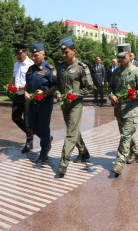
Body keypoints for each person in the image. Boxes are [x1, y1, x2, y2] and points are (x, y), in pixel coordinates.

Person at [55, 36, 93, 177]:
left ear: (74, 51)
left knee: (70, 133)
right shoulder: (61, 68)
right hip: (64, 104)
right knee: (73, 129)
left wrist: (75, 95)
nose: (64, 55)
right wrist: (58, 93)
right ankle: (84, 152)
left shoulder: (82, 67)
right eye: (63, 53)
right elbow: (58, 84)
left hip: (76, 104)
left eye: (67, 52)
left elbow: (89, 87)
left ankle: (63, 163)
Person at [109, 44, 138, 176]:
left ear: (130, 55)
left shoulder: (137, 71)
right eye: (119, 58)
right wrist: (111, 96)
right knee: (126, 134)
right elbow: (110, 88)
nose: (120, 60)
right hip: (119, 109)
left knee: (125, 135)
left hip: (131, 109)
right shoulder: (116, 72)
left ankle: (119, 163)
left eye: (123, 57)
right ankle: (135, 151)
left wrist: (134, 95)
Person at [24, 42, 56, 164]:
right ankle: (47, 139)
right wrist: (26, 92)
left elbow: (54, 87)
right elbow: (27, 84)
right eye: (32, 55)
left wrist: (44, 93)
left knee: (43, 127)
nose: (33, 57)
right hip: (33, 103)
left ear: (43, 54)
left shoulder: (50, 69)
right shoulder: (31, 69)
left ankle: (43, 154)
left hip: (45, 103)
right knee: (31, 125)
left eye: (36, 55)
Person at [11, 43, 34, 153]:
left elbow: (31, 82)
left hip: (27, 95)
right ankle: (33, 133)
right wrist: (11, 86)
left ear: (25, 52)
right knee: (15, 117)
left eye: (20, 54)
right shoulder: (16, 64)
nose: (18, 56)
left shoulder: (31, 64)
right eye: (16, 54)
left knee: (27, 120)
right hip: (18, 94)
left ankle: (29, 143)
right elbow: (14, 77)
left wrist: (20, 87)